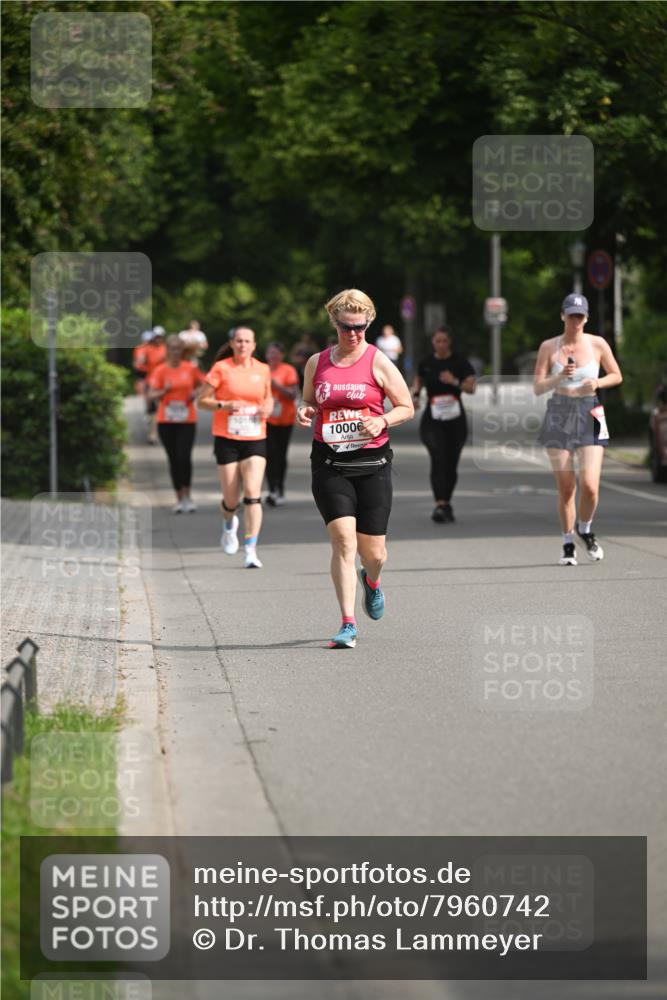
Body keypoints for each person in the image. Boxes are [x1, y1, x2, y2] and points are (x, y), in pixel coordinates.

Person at [297, 289, 414, 649]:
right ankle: (347, 623)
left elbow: (406, 406)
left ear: (368, 324)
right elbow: (307, 399)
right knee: (343, 540)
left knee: (374, 554)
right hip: (330, 463)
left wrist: (383, 421)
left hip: (372, 464)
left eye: (360, 327)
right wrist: (304, 410)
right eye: (347, 327)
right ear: (334, 323)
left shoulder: (378, 361)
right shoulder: (317, 362)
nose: (354, 334)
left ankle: (372, 581)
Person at [534, 293, 622, 566]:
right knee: (567, 487)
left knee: (590, 486)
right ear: (563, 316)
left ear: (586, 318)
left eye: (580, 316)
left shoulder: (598, 344)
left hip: (590, 411)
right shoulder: (549, 346)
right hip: (559, 412)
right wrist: (559, 377)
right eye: (571, 315)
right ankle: (568, 542)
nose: (576, 321)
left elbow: (616, 375)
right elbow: (538, 387)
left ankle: (585, 529)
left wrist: (598, 383)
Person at [198, 327, 273, 569]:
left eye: (247, 341)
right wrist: (224, 404)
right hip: (227, 437)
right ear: (232, 344)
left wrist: (268, 408)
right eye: (239, 341)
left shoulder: (263, 369)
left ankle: (250, 549)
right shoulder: (221, 368)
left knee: (252, 493)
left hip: (255, 436)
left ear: (254, 345)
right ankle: (229, 524)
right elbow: (201, 401)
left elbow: (268, 398)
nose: (243, 345)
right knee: (231, 500)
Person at [412, 326, 476, 523]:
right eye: (437, 341)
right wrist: (415, 396)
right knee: (438, 458)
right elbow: (418, 381)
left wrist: (454, 381)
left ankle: (446, 502)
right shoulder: (426, 363)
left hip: (455, 419)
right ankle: (440, 504)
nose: (441, 344)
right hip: (433, 418)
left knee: (451, 462)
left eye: (444, 341)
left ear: (450, 342)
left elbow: (471, 387)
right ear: (433, 342)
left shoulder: (460, 362)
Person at [147, 336, 206, 512]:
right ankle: (179, 498)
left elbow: (204, 385)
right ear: (167, 351)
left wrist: (195, 393)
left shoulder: (190, 368)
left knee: (184, 457)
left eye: (178, 349)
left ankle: (188, 496)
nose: (175, 352)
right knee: (173, 459)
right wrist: (163, 391)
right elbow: (150, 394)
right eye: (172, 349)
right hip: (166, 420)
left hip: (187, 419)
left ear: (182, 351)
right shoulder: (160, 370)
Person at [265, 342, 299, 506]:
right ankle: (272, 490)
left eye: (276, 353)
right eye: (270, 353)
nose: (273, 356)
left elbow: (293, 395)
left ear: (282, 355)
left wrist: (276, 386)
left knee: (280, 454)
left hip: (285, 418)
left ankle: (280, 488)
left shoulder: (288, 370)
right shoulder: (262, 370)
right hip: (267, 419)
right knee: (269, 454)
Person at [142, 327, 167, 443]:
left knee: (163, 408)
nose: (158, 339)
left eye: (160, 337)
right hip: (151, 382)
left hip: (164, 383)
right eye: (156, 337)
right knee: (152, 409)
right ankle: (153, 434)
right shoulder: (148, 349)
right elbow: (141, 363)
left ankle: (163, 432)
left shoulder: (166, 349)